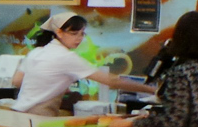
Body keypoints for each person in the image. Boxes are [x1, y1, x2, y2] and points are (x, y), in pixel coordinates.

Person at [11, 11, 156, 115]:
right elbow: (111, 81)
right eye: (74, 34)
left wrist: (53, 84)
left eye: (82, 34)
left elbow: (17, 81)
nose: (79, 39)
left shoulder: (36, 52)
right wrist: (151, 90)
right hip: (39, 114)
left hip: (19, 112)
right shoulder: (66, 57)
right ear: (59, 33)